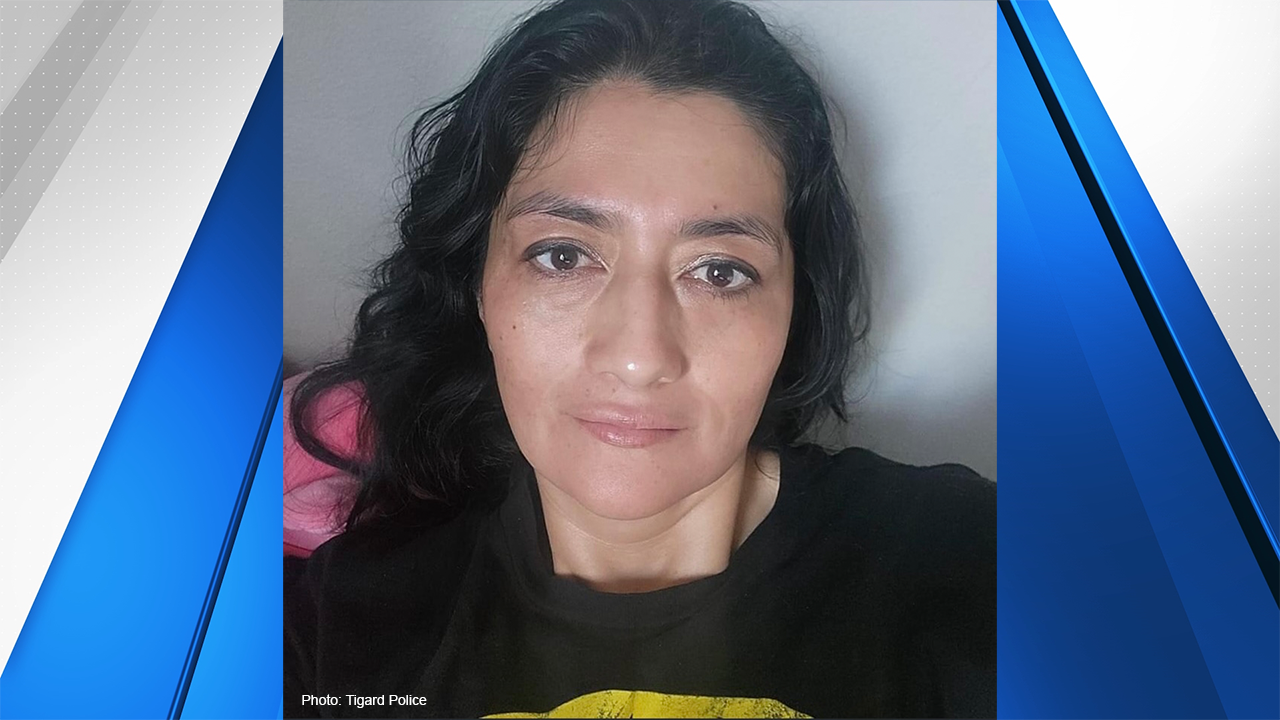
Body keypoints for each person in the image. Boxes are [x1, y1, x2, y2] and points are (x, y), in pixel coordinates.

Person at [283, 0, 995, 717]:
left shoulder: (970, 563)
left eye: (719, 272)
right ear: (478, 286)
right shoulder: (339, 626)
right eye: (563, 257)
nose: (637, 358)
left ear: (793, 309)